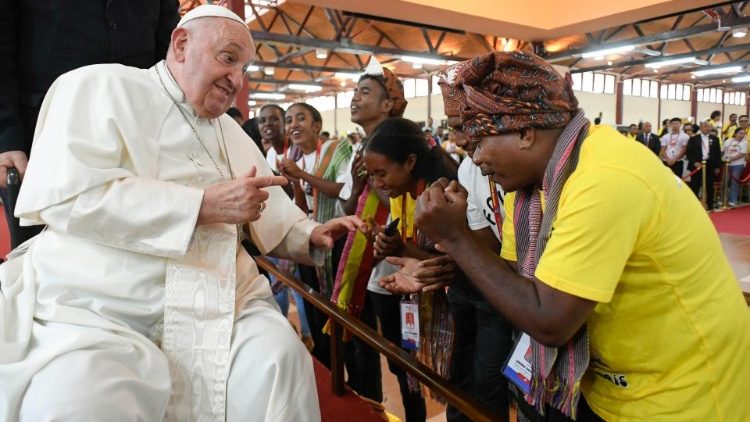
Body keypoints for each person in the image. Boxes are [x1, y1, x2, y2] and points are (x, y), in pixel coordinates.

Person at [0, 7, 365, 421]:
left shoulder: (229, 130)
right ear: (181, 44)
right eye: (228, 59)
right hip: (100, 306)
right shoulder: (96, 85)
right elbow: (69, 196)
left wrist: (310, 233)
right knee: (79, 399)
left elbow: (269, 205)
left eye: (243, 68)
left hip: (222, 301)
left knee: (279, 359)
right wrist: (201, 206)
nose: (236, 79)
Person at [381, 51, 750, 421]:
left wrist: (457, 238)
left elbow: (550, 322)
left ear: (525, 132)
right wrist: (455, 261)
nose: (473, 159)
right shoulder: (529, 191)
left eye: (478, 143)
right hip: (607, 387)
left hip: (683, 395)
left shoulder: (604, 178)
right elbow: (514, 281)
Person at [0, 0, 180, 248]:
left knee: (132, 255)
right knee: (44, 259)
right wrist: (6, 137)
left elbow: (167, 44)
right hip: (43, 134)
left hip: (135, 133)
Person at [434, 63, 513, 422]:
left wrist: (455, 237)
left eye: (470, 125)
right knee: (464, 377)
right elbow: (489, 248)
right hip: (492, 287)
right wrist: (453, 235)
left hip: (519, 293)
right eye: (454, 128)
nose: (463, 139)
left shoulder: (523, 172)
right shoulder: (468, 169)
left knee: (491, 385)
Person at [365, 117, 457, 415]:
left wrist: (402, 248)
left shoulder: (438, 197)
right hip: (418, 296)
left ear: (410, 162)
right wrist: (391, 245)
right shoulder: (408, 194)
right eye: (371, 176)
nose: (377, 184)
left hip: (458, 310)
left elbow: (458, 263)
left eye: (381, 174)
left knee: (459, 393)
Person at [279, 102, 353, 369]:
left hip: (337, 241)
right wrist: (297, 184)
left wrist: (302, 175)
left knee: (337, 310)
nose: (294, 124)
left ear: (317, 126)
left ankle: (344, 364)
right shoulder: (296, 159)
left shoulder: (336, 149)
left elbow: (343, 190)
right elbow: (301, 210)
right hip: (309, 242)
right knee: (314, 307)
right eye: (289, 120)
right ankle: (326, 364)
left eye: (301, 118)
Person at [686, 121, 722, 210]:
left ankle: (710, 204)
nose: (708, 128)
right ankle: (694, 205)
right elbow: (688, 152)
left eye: (709, 127)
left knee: (709, 186)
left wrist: (718, 166)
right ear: (701, 128)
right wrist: (694, 162)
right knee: (695, 185)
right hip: (697, 165)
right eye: (705, 126)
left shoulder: (715, 139)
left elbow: (718, 153)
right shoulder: (693, 138)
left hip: (710, 165)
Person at [723, 128, 748, 206]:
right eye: (740, 133)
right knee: (725, 181)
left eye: (744, 133)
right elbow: (723, 151)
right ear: (735, 133)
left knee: (734, 182)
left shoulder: (745, 143)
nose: (742, 135)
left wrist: (732, 159)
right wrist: (724, 159)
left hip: (738, 164)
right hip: (727, 164)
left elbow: (742, 154)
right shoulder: (728, 141)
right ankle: (723, 199)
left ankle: (733, 200)